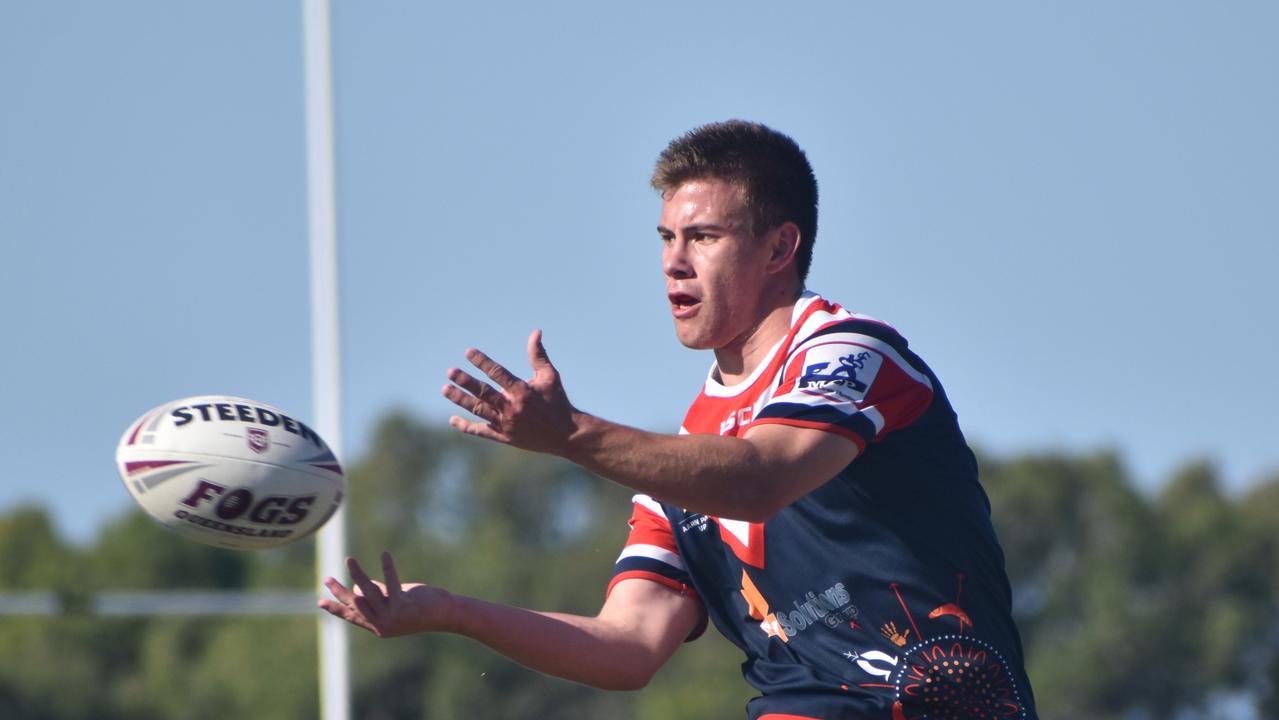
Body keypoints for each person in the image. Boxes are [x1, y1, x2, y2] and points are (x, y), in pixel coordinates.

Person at [320, 120, 1039, 720]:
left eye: (702, 237)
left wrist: (570, 436)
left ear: (779, 247)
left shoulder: (849, 353)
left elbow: (762, 477)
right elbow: (627, 645)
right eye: (664, 238)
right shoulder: (683, 459)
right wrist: (450, 610)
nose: (673, 264)